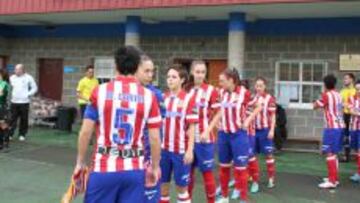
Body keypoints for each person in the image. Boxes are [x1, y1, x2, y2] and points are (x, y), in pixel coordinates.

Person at [73, 46, 162, 202]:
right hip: (134, 169)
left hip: (104, 167)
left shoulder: (99, 91)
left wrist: (80, 162)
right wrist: (155, 166)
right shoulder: (149, 96)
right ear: (137, 67)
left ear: (116, 65)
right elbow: (155, 138)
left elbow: (86, 132)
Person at [213, 69, 261, 203]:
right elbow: (217, 109)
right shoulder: (221, 92)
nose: (220, 83)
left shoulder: (244, 93)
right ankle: (224, 197)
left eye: (222, 80)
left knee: (241, 169)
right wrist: (217, 123)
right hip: (223, 135)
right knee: (223, 168)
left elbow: (258, 106)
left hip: (238, 136)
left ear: (231, 80)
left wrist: (247, 120)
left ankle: (243, 199)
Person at [160, 64, 198, 203]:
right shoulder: (162, 98)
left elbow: (192, 126)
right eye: (168, 77)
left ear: (182, 80)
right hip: (163, 150)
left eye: (174, 77)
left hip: (180, 151)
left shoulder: (189, 99)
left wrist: (190, 150)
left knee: (182, 189)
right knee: (163, 188)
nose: (170, 80)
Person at [185, 60, 218, 203]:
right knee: (188, 174)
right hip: (187, 140)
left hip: (205, 140)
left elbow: (219, 112)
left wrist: (208, 130)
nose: (200, 75)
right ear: (192, 72)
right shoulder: (186, 89)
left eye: (203, 72)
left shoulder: (211, 90)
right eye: (197, 72)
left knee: (207, 173)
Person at [135, 54, 165, 203]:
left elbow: (159, 129)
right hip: (127, 157)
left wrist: (155, 161)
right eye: (146, 71)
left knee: (150, 195)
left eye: (152, 71)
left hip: (148, 153)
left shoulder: (156, 95)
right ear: (135, 69)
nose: (150, 75)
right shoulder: (124, 92)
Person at [314, 74, 344, 189]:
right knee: (334, 153)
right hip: (339, 126)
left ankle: (332, 181)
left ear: (325, 84)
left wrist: (316, 101)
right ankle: (334, 178)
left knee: (329, 153)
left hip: (331, 128)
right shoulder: (339, 95)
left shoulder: (326, 95)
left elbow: (315, 106)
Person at [248, 77, 277, 190]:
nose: (259, 88)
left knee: (268, 154)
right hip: (254, 131)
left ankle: (271, 178)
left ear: (265, 86)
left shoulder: (269, 99)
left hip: (265, 131)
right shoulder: (252, 98)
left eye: (261, 85)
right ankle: (251, 176)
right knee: (251, 155)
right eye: (257, 85)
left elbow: (273, 115)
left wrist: (272, 130)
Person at [9, 64, 37, 141]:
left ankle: (22, 134)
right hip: (14, 102)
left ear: (22, 70)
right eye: (15, 69)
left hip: (24, 102)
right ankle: (10, 134)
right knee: (12, 119)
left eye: (18, 69)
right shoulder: (12, 78)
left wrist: (27, 94)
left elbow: (34, 88)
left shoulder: (28, 77)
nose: (16, 71)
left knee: (24, 119)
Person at [340, 73, 356, 162]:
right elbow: (340, 104)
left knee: (355, 135)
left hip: (354, 116)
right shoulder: (342, 91)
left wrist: (348, 105)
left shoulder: (355, 91)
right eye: (344, 78)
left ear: (351, 80)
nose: (344, 80)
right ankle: (346, 156)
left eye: (346, 78)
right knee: (346, 136)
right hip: (345, 116)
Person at [347, 80, 360, 182]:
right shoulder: (352, 98)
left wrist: (356, 112)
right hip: (354, 127)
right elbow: (351, 110)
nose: (358, 91)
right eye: (357, 89)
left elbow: (354, 111)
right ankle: (358, 172)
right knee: (356, 150)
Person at [0, 69, 10, 150]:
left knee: (3, 125)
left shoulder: (4, 84)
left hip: (2, 108)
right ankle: (0, 143)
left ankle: (6, 144)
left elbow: (1, 95)